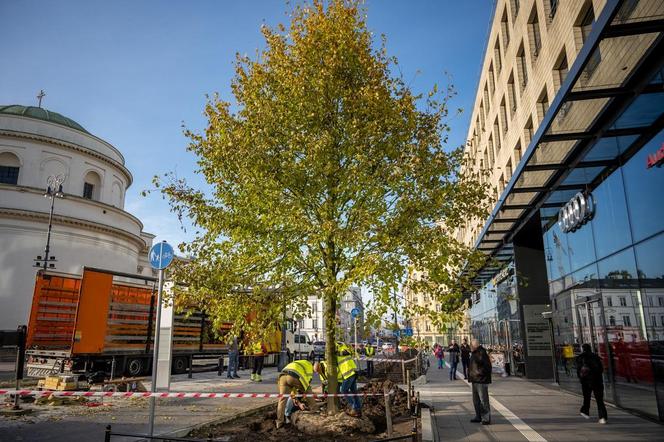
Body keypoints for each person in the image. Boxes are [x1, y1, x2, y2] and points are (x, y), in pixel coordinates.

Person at [276, 359, 320, 428]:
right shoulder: (309, 366)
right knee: (308, 390)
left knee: (282, 399)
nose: (314, 373)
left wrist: (298, 402)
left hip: (282, 376)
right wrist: (310, 396)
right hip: (294, 375)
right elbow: (306, 385)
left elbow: (292, 392)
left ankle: (279, 422)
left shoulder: (302, 362)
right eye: (314, 372)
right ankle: (314, 409)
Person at [576, 343, 607, 424]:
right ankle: (602, 417)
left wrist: (581, 379)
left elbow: (578, 370)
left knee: (586, 398)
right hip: (597, 381)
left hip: (586, 382)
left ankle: (585, 412)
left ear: (583, 349)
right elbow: (601, 369)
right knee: (599, 400)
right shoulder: (596, 357)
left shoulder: (580, 358)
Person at [468, 339, 491, 425]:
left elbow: (486, 366)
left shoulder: (481, 353)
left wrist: (479, 373)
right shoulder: (475, 353)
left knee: (483, 399)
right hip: (475, 379)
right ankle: (478, 416)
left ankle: (485, 418)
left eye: (471, 345)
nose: (470, 346)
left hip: (481, 380)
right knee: (476, 400)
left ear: (475, 345)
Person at [337, 343, 362, 417]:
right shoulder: (345, 349)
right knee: (354, 392)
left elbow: (345, 353)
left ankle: (354, 408)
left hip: (349, 373)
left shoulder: (341, 350)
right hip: (353, 372)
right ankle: (358, 410)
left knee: (344, 391)